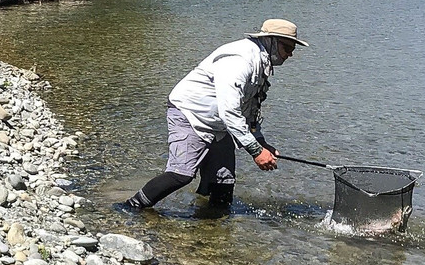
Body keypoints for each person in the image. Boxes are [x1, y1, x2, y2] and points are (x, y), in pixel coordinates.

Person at [124, 19, 309, 209]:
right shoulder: (240, 61)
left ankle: (214, 228)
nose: (291, 54)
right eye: (287, 47)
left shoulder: (262, 63)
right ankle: (131, 207)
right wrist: (255, 151)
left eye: (293, 48)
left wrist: (261, 143)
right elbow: (229, 111)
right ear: (271, 41)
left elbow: (250, 110)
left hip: (219, 123)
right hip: (190, 113)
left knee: (224, 182)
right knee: (181, 174)